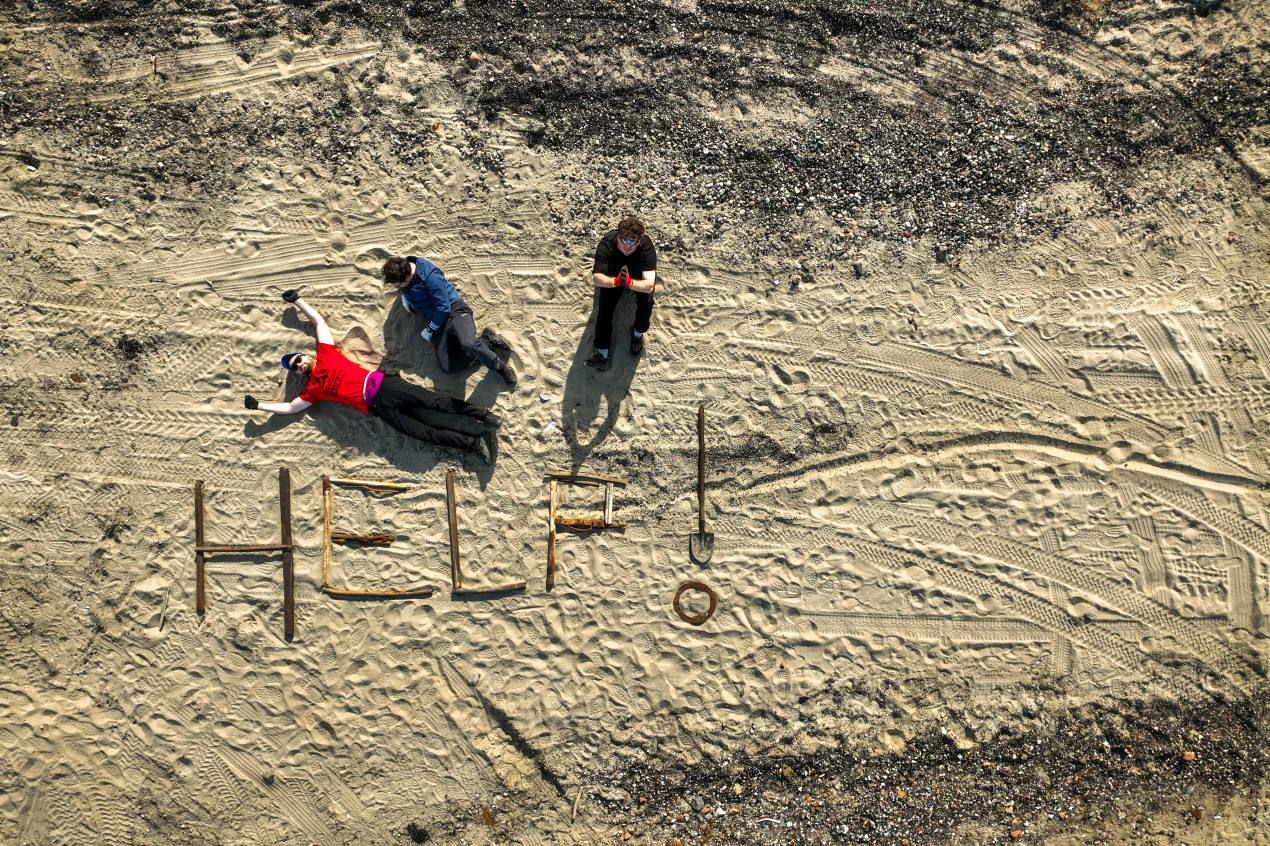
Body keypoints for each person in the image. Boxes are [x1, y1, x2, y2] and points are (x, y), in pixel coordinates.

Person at [244, 290, 500, 463]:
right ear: (298, 373)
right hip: (378, 409)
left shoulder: (326, 355)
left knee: (436, 403)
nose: (299, 364)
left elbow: (319, 324)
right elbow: (290, 407)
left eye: (298, 359)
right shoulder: (312, 390)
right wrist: (259, 406)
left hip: (385, 386)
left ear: (306, 356)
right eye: (295, 367)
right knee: (424, 433)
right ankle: (473, 443)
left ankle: (484, 416)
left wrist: (298, 301)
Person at [381, 255, 518, 388]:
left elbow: (443, 309)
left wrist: (431, 329)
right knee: (448, 367)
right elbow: (402, 280)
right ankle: (486, 341)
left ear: (407, 276)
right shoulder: (404, 267)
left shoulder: (431, 278)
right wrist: (407, 298)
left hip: (454, 311)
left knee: (468, 343)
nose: (398, 289)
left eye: (399, 286)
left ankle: (498, 367)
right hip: (439, 322)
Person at [586, 216, 657, 372]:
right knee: (604, 310)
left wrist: (629, 283)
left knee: (646, 303)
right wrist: (616, 282)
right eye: (624, 240)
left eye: (632, 242)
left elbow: (649, 285)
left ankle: (637, 335)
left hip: (636, 273)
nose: (627, 245)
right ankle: (602, 354)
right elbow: (597, 279)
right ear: (618, 236)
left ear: (639, 241)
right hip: (614, 273)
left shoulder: (646, 247)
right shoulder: (607, 243)